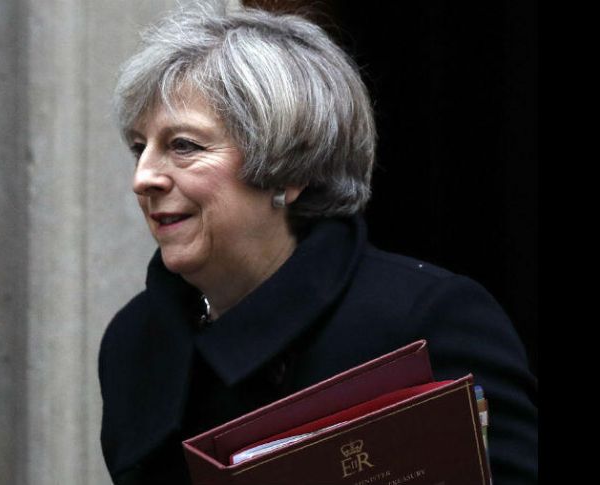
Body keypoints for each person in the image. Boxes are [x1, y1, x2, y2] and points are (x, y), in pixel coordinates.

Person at [98, 3, 537, 484]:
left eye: (184, 145)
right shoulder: (134, 341)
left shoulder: (426, 320)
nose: (143, 178)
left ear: (290, 169)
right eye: (141, 148)